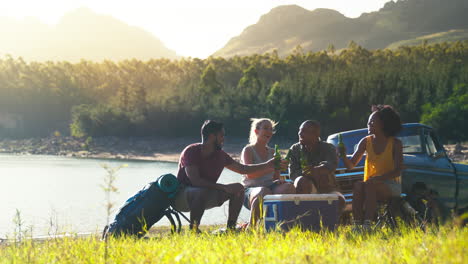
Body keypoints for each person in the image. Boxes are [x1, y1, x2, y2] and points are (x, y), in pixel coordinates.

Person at [173, 120, 283, 232]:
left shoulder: (220, 155)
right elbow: (195, 181)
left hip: (206, 193)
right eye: (221, 136)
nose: (223, 139)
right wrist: (223, 187)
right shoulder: (191, 151)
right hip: (183, 197)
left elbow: (243, 169)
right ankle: (194, 230)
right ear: (212, 136)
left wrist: (268, 165)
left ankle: (230, 229)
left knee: (238, 188)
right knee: (199, 191)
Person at [338, 105, 403, 230]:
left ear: (383, 124)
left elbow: (398, 170)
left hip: (390, 184)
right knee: (358, 185)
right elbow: (351, 166)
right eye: (368, 122)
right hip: (370, 184)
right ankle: (357, 225)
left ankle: (367, 225)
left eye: (372, 122)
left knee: (370, 184)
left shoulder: (395, 143)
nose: (369, 124)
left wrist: (379, 178)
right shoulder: (365, 141)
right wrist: (343, 155)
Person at [241, 118, 296, 227]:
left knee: (289, 187)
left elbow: (275, 177)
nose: (269, 132)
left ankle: (285, 224)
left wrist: (279, 179)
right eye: (265, 128)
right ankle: (251, 227)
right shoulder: (248, 150)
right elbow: (250, 174)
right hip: (250, 190)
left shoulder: (273, 152)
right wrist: (271, 167)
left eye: (271, 129)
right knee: (263, 191)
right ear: (256, 131)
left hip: (270, 187)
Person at [288, 120, 345, 212]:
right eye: (299, 130)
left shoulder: (328, 147)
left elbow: (331, 166)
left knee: (339, 200)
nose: (300, 133)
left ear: (316, 134)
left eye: (304, 131)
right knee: (301, 180)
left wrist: (316, 170)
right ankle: (305, 218)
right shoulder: (295, 149)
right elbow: (293, 174)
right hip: (306, 187)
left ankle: (331, 224)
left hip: (328, 187)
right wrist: (307, 173)